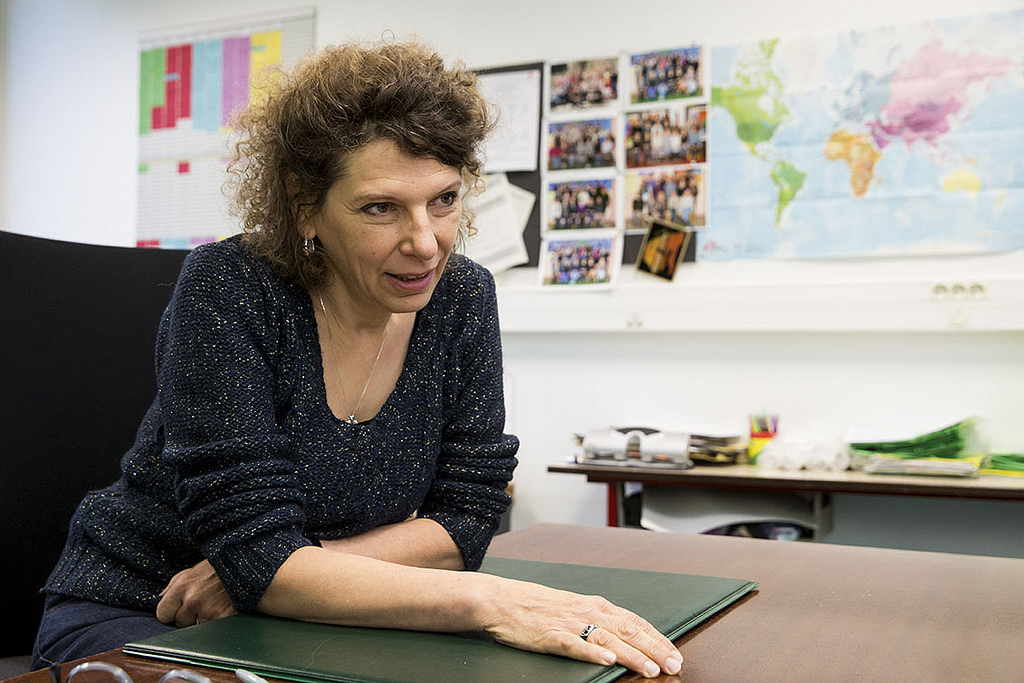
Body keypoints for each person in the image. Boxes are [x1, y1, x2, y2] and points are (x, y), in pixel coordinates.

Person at [31, 39, 683, 679]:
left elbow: (464, 521)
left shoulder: (461, 297)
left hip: (307, 620)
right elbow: (266, 558)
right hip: (143, 615)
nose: (426, 242)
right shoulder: (230, 287)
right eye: (381, 208)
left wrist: (287, 574)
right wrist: (493, 601)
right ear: (304, 203)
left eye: (444, 199)